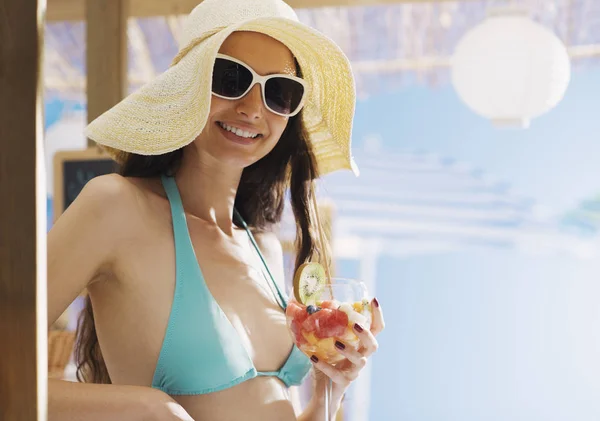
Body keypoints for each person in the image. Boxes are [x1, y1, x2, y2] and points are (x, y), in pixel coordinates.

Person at [47, 0, 385, 420]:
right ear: (185, 87)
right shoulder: (114, 207)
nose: (253, 108)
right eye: (231, 78)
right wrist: (149, 409)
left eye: (279, 92)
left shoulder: (264, 248)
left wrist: (329, 391)